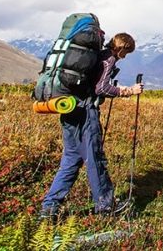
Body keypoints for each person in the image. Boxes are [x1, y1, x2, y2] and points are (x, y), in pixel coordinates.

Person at [40, 33, 143, 219]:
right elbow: (101, 88)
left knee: (71, 159)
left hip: (70, 108)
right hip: (86, 113)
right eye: (126, 52)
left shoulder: (97, 56)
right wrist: (128, 90)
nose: (125, 56)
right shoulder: (108, 59)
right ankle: (106, 206)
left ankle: (49, 208)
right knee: (95, 158)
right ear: (121, 47)